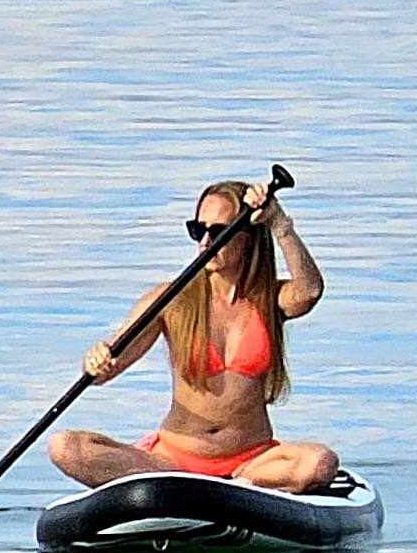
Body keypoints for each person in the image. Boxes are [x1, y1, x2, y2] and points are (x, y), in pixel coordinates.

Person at [49, 178, 338, 493]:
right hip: (171, 461)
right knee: (65, 447)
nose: (205, 243)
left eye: (218, 232)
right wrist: (97, 362)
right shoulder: (170, 299)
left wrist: (279, 222)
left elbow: (310, 290)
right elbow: (109, 368)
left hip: (252, 461)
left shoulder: (269, 300)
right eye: (198, 231)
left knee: (319, 462)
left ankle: (241, 487)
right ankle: (172, 484)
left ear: (247, 238)